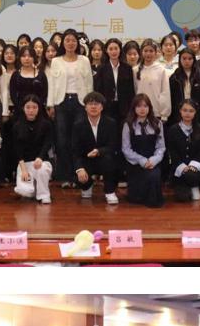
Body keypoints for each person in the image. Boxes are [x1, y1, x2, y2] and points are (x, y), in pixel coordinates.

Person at [48, 29, 94, 184]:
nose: (70, 43)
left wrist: (89, 103)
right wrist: (51, 105)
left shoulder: (84, 60)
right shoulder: (56, 61)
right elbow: (52, 84)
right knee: (62, 140)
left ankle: (79, 174)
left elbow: (89, 84)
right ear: (63, 43)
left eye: (73, 40)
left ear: (77, 43)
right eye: (67, 40)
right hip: (61, 103)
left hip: (80, 102)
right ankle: (65, 176)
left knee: (78, 139)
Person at [72, 90, 120, 205]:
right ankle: (87, 185)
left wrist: (99, 151)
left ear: (102, 107)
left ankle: (110, 191)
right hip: (86, 160)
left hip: (104, 158)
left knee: (110, 160)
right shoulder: (78, 125)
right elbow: (75, 150)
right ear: (85, 107)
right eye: (90, 104)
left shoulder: (111, 123)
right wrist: (79, 169)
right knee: (78, 173)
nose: (93, 106)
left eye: (97, 104)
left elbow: (113, 146)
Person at [122, 92, 165, 208]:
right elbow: (126, 149)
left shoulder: (157, 123)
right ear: (134, 108)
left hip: (152, 161)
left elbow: (161, 147)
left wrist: (153, 160)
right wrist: (141, 160)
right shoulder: (128, 124)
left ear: (149, 108)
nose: (142, 109)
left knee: (154, 175)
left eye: (145, 106)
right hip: (135, 162)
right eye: (139, 106)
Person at [164, 98, 200, 202]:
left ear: (195, 112)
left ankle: (195, 187)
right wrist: (182, 166)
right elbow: (172, 151)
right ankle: (185, 186)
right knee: (182, 198)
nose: (187, 113)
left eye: (191, 111)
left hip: (195, 167)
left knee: (191, 175)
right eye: (185, 110)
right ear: (180, 111)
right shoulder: (173, 130)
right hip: (180, 167)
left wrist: (193, 165)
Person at [12, 94, 53, 204]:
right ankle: (33, 187)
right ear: (23, 108)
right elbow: (17, 149)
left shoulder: (46, 124)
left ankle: (44, 195)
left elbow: (47, 144)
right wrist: (23, 169)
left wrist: (40, 158)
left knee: (42, 169)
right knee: (25, 192)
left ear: (39, 108)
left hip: (40, 162)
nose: (31, 110)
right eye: (28, 107)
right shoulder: (17, 126)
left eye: (34, 107)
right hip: (24, 164)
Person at [94, 37, 136, 129]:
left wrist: (131, 109)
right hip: (107, 107)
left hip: (124, 107)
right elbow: (98, 90)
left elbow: (131, 91)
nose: (114, 51)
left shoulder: (127, 68)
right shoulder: (102, 68)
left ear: (120, 50)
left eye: (116, 48)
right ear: (106, 51)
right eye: (111, 49)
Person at [134, 39, 171, 123]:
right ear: (141, 52)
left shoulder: (161, 70)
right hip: (139, 111)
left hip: (156, 112)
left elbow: (165, 92)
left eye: (151, 51)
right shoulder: (135, 70)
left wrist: (164, 114)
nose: (148, 53)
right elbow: (134, 90)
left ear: (155, 52)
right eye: (145, 51)